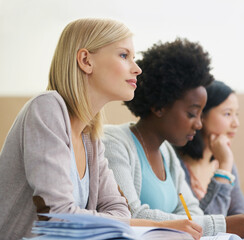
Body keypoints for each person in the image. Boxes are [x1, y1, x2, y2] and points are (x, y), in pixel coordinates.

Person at [0, 19, 201, 240]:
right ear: (86, 60)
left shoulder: (90, 136)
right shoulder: (47, 107)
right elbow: (60, 217)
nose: (137, 68)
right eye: (124, 56)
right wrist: (156, 225)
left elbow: (119, 210)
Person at [102, 39, 244, 238]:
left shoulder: (167, 152)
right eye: (192, 114)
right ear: (159, 106)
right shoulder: (114, 142)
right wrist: (219, 225)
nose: (199, 124)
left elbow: (191, 212)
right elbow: (132, 215)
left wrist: (197, 224)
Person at [176, 80, 244, 217]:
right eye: (227, 114)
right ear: (201, 115)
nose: (236, 123)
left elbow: (242, 216)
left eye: (237, 114)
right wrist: (224, 167)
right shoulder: (176, 162)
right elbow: (204, 224)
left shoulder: (223, 160)